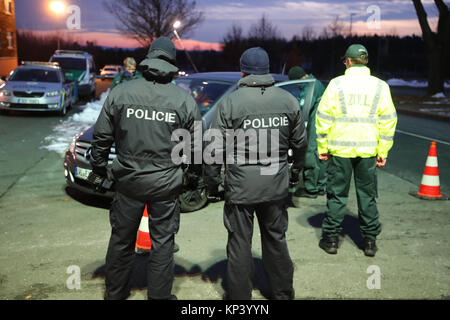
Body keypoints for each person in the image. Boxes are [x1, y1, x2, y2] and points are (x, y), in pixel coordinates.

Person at [88, 37, 202, 300]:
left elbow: (102, 135)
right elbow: (196, 146)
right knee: (163, 244)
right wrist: (193, 177)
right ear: (172, 62)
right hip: (165, 183)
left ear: (149, 59)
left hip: (128, 181)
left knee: (122, 240)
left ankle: (115, 294)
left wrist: (98, 167)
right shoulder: (183, 100)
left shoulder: (122, 93)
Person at [205, 47, 307, 300]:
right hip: (275, 183)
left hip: (241, 185)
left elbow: (215, 147)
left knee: (240, 244)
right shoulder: (287, 100)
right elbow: (301, 143)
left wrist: (212, 182)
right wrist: (296, 171)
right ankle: (283, 294)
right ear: (267, 70)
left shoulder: (231, 102)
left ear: (243, 71)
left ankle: (240, 300)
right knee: (276, 239)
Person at [316, 44, 398, 257]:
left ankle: (331, 240)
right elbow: (388, 121)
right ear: (366, 61)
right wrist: (383, 151)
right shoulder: (380, 87)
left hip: (340, 150)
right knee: (367, 196)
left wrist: (322, 147)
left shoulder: (336, 85)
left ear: (349, 61)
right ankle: (370, 242)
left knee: (336, 195)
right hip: (368, 150)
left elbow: (323, 117)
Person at [288, 66, 327, 198]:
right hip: (322, 123)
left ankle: (311, 188)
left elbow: (303, 108)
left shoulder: (310, 87)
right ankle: (321, 186)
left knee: (310, 154)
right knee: (320, 155)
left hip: (315, 125)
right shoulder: (315, 83)